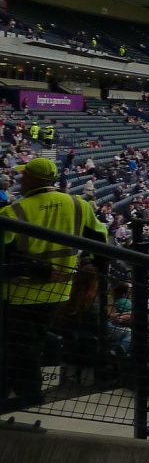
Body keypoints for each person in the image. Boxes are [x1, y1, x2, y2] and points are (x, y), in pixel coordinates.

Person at [1, 157, 108, 410]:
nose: (20, 179)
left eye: (23, 175)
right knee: (30, 342)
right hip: (60, 291)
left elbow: (4, 258)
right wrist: (95, 269)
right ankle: (12, 391)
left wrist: (37, 270)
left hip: (18, 293)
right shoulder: (79, 204)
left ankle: (29, 395)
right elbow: (99, 241)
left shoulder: (12, 213)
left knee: (19, 345)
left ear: (32, 179)